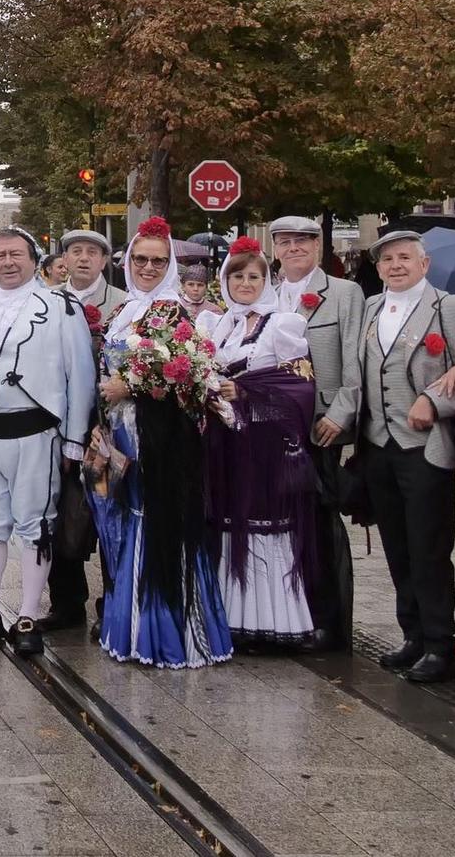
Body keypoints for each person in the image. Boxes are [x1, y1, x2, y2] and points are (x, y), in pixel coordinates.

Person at [82, 218, 232, 667]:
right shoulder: (126, 309)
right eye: (141, 259)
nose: (148, 267)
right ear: (127, 262)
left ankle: (163, 633)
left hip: (160, 440)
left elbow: (188, 379)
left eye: (158, 260)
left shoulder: (172, 312)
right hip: (122, 434)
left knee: (154, 524)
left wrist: (129, 386)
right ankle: (127, 624)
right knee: (124, 525)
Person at [330, 230, 455, 683]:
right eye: (387, 259)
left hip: (424, 448)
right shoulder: (371, 308)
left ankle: (440, 644)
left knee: (429, 547)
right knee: (396, 544)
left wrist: (434, 400)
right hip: (376, 444)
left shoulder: (451, 308)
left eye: (404, 258)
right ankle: (412, 635)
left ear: (424, 264)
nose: (395, 265)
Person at [0, 228, 94, 655]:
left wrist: (73, 441)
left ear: (34, 259)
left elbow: (80, 375)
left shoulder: (61, 306)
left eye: (16, 255)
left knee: (35, 526)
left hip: (37, 433)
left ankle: (27, 615)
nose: (7, 263)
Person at [200, 241, 318, 651]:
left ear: (267, 281)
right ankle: (234, 620)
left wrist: (247, 393)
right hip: (227, 444)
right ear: (225, 281)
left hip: (264, 446)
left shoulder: (283, 323)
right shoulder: (217, 326)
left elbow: (300, 388)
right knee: (232, 528)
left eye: (254, 277)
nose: (246, 284)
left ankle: (277, 623)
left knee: (266, 531)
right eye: (238, 276)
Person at [270, 215, 363, 651]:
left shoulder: (344, 294)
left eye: (302, 242)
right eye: (285, 242)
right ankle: (289, 614)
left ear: (318, 247)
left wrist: (341, 413)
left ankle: (329, 621)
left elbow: (354, 360)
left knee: (322, 525)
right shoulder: (266, 294)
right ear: (274, 249)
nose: (293, 249)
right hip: (273, 428)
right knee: (283, 526)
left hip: (319, 427)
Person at [45, 229, 127, 632]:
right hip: (61, 422)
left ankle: (112, 600)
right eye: (75, 251)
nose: (82, 258)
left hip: (111, 423)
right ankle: (66, 601)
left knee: (112, 511)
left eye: (91, 252)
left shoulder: (123, 304)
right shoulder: (48, 300)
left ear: (104, 260)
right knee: (63, 513)